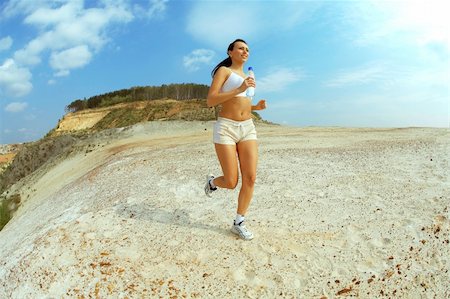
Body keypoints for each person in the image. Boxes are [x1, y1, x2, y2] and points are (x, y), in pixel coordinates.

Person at [204, 39, 267, 240]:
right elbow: (211, 100)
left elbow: (243, 103)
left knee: (250, 178)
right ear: (230, 52)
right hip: (226, 128)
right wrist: (239, 89)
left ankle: (239, 222)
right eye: (241, 48)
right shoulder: (224, 72)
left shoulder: (249, 76)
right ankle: (213, 182)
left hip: (248, 127)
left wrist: (256, 107)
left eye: (247, 49)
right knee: (231, 181)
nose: (245, 51)